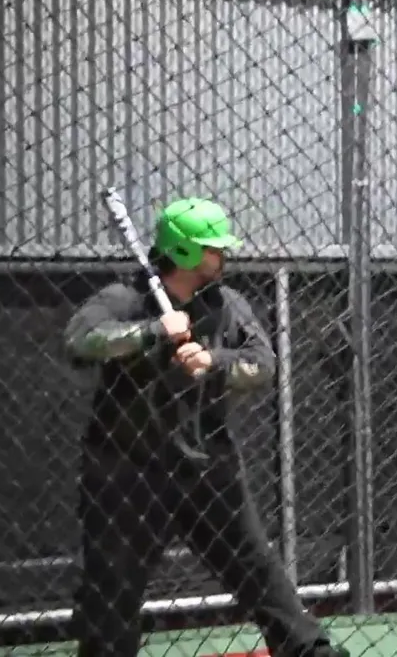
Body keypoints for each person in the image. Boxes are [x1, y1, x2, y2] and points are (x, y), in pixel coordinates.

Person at [63, 197, 348, 657]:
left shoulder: (227, 305)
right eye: (214, 249)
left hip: (206, 469)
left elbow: (263, 364)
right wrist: (153, 331)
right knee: (112, 591)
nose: (224, 256)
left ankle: (309, 650)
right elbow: (81, 341)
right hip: (127, 472)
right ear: (187, 253)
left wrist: (212, 361)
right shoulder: (124, 300)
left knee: (258, 569)